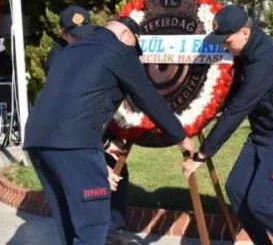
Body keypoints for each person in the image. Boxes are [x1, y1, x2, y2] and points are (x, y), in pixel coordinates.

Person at [24, 16, 194, 245]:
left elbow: (75, 102)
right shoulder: (119, 51)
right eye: (134, 46)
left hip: (37, 142)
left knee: (69, 221)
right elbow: (148, 97)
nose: (133, 53)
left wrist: (99, 150)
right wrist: (180, 137)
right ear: (125, 35)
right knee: (92, 226)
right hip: (75, 146)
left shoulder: (69, 52)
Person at [183, 5, 273, 245]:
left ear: (244, 32)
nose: (224, 45)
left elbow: (238, 110)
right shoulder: (246, 51)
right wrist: (202, 114)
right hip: (263, 135)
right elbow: (233, 96)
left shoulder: (265, 60)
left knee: (262, 203)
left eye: (227, 40)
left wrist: (202, 154)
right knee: (236, 189)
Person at [43, 5, 98, 74]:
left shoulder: (100, 34)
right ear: (63, 34)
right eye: (78, 37)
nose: (85, 40)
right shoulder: (56, 64)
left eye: (88, 34)